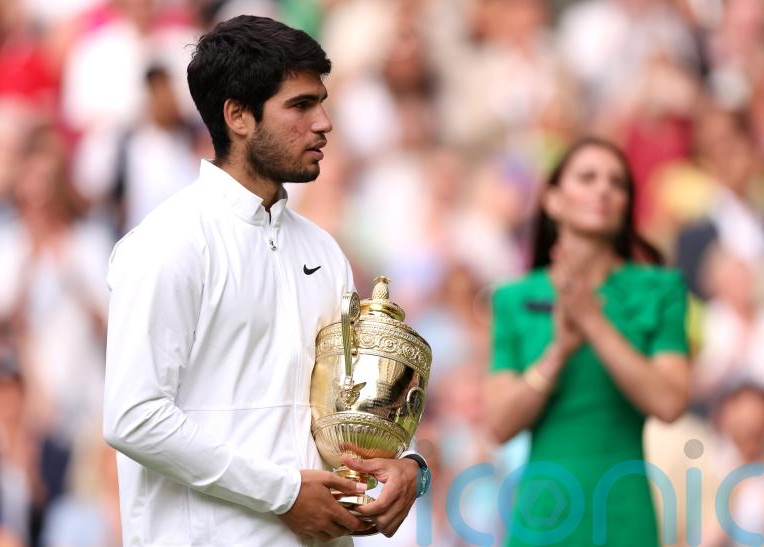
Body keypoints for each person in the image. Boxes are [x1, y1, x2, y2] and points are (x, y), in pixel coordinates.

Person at [102, 15, 426, 546]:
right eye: (300, 105)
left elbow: (344, 414)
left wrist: (409, 466)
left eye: (321, 102)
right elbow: (133, 417)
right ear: (238, 116)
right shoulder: (168, 242)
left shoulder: (324, 251)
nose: (324, 122)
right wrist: (281, 493)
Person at [485, 137, 690, 546]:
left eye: (618, 183)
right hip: (544, 515)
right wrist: (558, 351)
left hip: (624, 511)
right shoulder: (514, 298)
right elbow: (499, 423)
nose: (604, 189)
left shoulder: (660, 288)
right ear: (553, 200)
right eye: (588, 177)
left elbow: (669, 402)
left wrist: (594, 323)